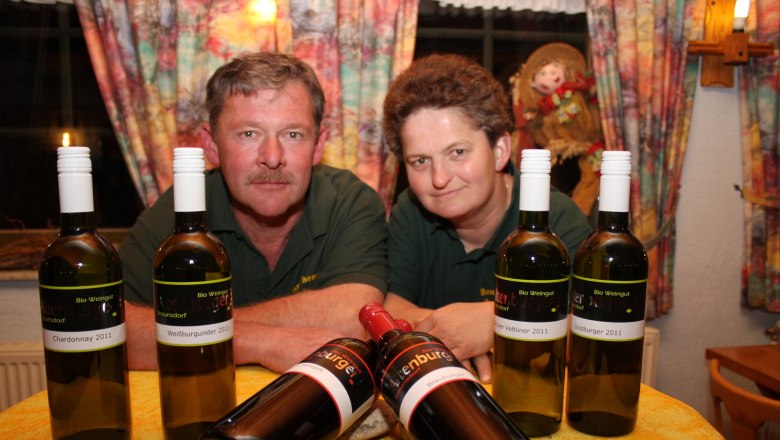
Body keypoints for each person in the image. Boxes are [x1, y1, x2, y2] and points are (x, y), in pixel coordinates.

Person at [120, 52, 387, 372]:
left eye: (293, 135)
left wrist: (191, 329)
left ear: (318, 146)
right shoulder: (182, 209)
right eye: (249, 134)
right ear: (211, 144)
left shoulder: (350, 201)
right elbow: (111, 328)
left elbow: (355, 316)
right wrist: (259, 341)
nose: (272, 158)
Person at [381, 53, 592, 383]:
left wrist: (498, 321)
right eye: (420, 161)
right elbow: (392, 310)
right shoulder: (410, 211)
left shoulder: (558, 220)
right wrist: (456, 331)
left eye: (457, 152)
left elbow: (589, 331)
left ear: (499, 150)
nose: (439, 178)